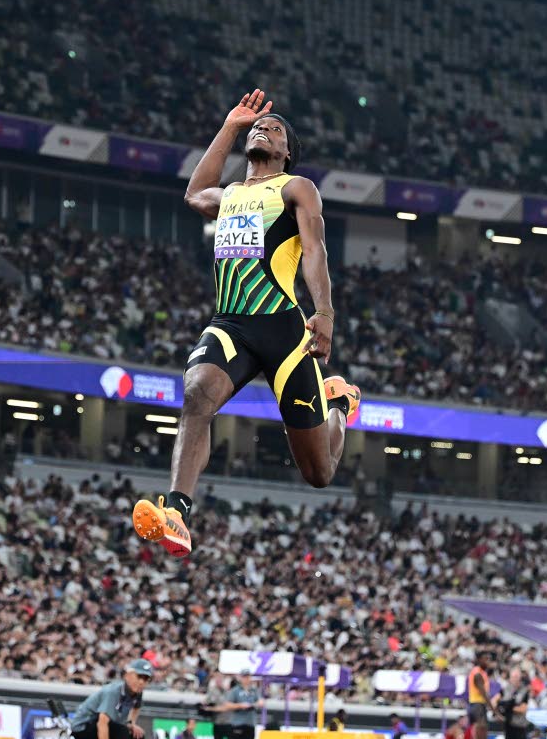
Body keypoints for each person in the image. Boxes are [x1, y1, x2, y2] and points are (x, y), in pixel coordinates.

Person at [132, 90, 360, 556]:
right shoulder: (231, 194)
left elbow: (314, 251)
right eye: (260, 126)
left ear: (287, 151)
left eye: (275, 128)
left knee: (319, 473)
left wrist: (325, 313)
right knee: (196, 393)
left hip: (283, 330)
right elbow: (195, 193)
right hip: (230, 325)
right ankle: (177, 512)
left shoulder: (296, 188)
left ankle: (338, 405)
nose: (265, 128)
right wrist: (231, 126)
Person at [69, 659, 153, 739]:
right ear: (127, 675)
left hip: (101, 723)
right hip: (82, 727)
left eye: (145, 678)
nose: (141, 682)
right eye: (139, 676)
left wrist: (131, 724)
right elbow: (102, 723)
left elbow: (136, 708)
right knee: (122, 732)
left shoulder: (137, 691)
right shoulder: (113, 691)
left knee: (137, 735)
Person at [225, 669, 264, 739]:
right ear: (241, 678)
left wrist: (252, 705)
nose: (246, 679)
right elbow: (228, 704)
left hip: (250, 723)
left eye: (248, 677)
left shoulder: (254, 690)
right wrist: (240, 705)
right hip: (237, 723)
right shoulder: (235, 690)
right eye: (244, 677)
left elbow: (261, 702)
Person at [497, 667, 530, 739]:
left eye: (516, 677)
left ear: (520, 678)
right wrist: (498, 713)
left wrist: (509, 707)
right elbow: (495, 701)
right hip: (508, 724)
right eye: (513, 677)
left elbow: (523, 709)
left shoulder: (524, 690)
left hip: (519, 724)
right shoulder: (505, 689)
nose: (515, 679)